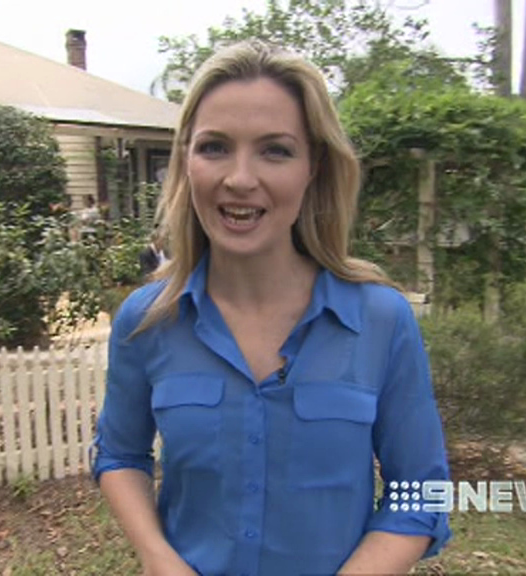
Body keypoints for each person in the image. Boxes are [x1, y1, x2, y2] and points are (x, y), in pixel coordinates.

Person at [91, 40, 451, 576]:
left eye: (275, 151)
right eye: (214, 147)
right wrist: (158, 557)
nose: (239, 178)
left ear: (314, 167)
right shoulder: (147, 321)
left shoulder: (381, 320)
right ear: (186, 161)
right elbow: (120, 455)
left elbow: (420, 493)